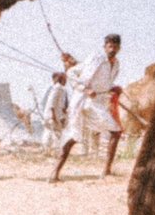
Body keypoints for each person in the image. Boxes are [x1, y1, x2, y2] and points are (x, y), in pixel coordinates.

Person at [50, 34, 122, 181]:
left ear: (119, 48)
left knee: (113, 132)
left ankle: (106, 171)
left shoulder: (116, 64)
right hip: (85, 101)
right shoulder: (97, 58)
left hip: (98, 102)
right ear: (105, 46)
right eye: (110, 46)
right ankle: (55, 173)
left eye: (115, 46)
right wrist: (85, 89)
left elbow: (104, 85)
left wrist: (113, 88)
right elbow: (71, 74)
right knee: (78, 136)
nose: (112, 49)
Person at [43, 69, 71, 154]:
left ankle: (48, 151)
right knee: (54, 134)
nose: (66, 81)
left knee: (50, 133)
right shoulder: (58, 88)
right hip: (52, 115)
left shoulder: (60, 89)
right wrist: (53, 116)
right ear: (62, 79)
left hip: (54, 114)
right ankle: (53, 151)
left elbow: (61, 104)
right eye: (65, 79)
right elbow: (52, 103)